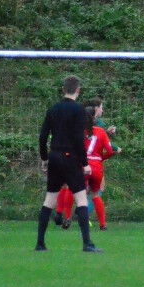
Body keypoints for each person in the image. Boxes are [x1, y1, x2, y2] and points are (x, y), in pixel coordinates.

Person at [36, 75, 102, 253]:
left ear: (63, 89)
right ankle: (87, 244)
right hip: (70, 158)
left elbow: (42, 137)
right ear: (78, 91)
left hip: (55, 157)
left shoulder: (53, 109)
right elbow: (78, 139)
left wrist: (45, 158)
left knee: (49, 199)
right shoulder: (79, 110)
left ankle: (40, 244)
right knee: (81, 199)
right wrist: (84, 163)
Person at [53, 96, 122, 229]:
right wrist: (102, 158)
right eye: (101, 107)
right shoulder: (100, 129)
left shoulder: (77, 129)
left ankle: (65, 216)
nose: (102, 110)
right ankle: (102, 224)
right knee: (95, 193)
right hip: (95, 166)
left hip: (80, 163)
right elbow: (108, 149)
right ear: (95, 113)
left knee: (71, 188)